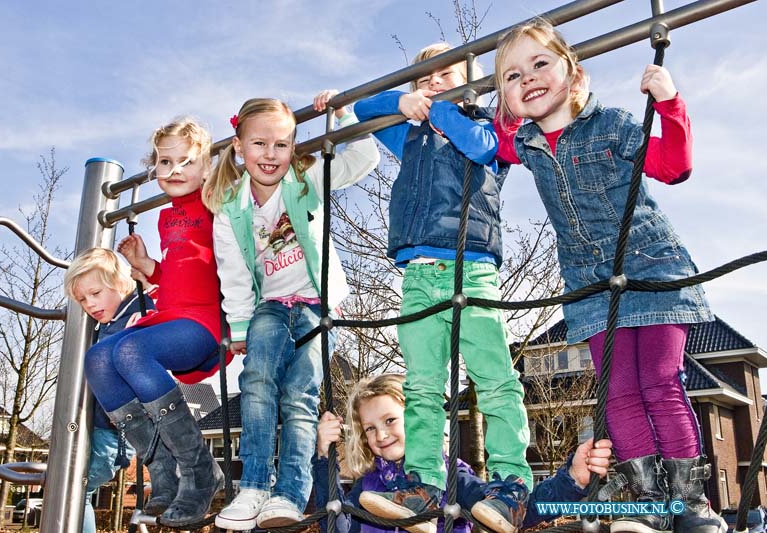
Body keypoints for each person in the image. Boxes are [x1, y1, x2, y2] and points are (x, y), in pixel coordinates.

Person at [492, 19, 720, 533]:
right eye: (511, 75)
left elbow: (673, 165)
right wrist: (441, 103)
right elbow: (487, 137)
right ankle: (648, 501)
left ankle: (690, 502)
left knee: (659, 382)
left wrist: (669, 103)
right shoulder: (525, 145)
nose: (527, 78)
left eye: (540, 64)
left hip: (651, 267)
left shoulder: (613, 124)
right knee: (616, 391)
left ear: (573, 74)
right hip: (591, 288)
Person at [352, 43, 532, 533]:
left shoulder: (488, 125)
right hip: (418, 275)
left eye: (445, 73)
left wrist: (444, 106)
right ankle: (424, 485)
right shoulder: (409, 138)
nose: (433, 82)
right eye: (424, 77)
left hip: (471, 269)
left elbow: (480, 149)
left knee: (494, 377)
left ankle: (513, 481)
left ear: (470, 81)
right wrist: (400, 102)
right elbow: (361, 108)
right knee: (423, 385)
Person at [205, 92, 379, 531]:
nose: (270, 154)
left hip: (317, 307)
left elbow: (364, 159)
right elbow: (234, 273)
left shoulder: (305, 180)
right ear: (239, 147)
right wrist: (240, 326)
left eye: (281, 144)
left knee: (300, 394)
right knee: (258, 382)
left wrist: (343, 113)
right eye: (259, 144)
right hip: (269, 308)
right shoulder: (230, 208)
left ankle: (289, 494)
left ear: (293, 148)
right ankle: (254, 486)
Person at [83, 118, 226, 528]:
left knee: (129, 348)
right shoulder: (166, 218)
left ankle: (199, 470)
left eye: (187, 161)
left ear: (207, 168)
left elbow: (226, 267)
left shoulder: (218, 204)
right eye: (166, 161)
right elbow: (182, 276)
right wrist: (147, 266)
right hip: (172, 315)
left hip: (207, 322)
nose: (175, 170)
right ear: (154, 168)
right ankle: (163, 471)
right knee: (98, 358)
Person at [313, 374, 614, 533]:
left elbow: (519, 512)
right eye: (369, 428)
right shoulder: (369, 487)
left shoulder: (450, 477)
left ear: (419, 419)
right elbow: (337, 525)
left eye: (390, 420)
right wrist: (324, 460)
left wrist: (571, 479)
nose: (380, 434)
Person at [65, 247, 155, 533]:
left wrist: (146, 286)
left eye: (95, 293)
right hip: (97, 427)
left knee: (75, 491)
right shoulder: (106, 322)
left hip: (115, 434)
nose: (89, 304)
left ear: (119, 284)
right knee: (75, 489)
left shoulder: (134, 312)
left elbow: (155, 305)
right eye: (82, 299)